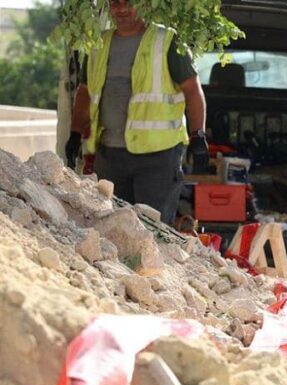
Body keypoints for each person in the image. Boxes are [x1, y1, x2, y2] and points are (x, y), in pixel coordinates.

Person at [65, 0, 209, 224]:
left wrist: (198, 134)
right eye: (115, 3)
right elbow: (84, 92)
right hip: (110, 156)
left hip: (158, 158)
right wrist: (74, 133)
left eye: (129, 3)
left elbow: (192, 90)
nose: (121, 9)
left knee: (154, 229)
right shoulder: (99, 44)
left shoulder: (167, 41)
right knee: (113, 227)